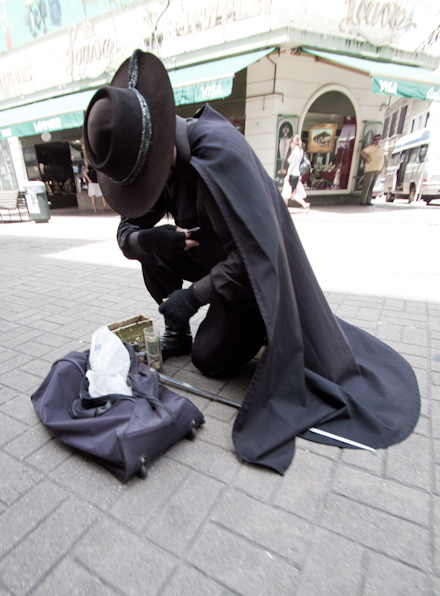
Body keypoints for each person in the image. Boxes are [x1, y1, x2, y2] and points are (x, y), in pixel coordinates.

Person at [83, 49, 420, 475]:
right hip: (217, 264)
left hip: (252, 281)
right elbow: (125, 233)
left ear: (159, 142)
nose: (150, 190)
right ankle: (180, 332)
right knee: (154, 253)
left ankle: (265, 326)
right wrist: (147, 240)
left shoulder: (221, 153)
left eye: (148, 178)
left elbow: (255, 257)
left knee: (209, 362)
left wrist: (194, 296)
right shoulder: (157, 166)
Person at [283, 135, 310, 211]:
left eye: (290, 143)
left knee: (287, 192)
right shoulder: (300, 151)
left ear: (292, 142)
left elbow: (292, 164)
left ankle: (284, 210)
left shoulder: (295, 151)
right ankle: (305, 205)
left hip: (292, 174)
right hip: (297, 174)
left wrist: (288, 175)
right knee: (293, 194)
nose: (290, 145)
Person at [359, 134, 384, 205]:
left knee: (371, 186)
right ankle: (362, 200)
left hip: (377, 169)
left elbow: (382, 159)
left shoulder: (381, 149)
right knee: (367, 185)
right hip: (370, 169)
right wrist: (367, 157)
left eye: (378, 139)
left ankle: (368, 201)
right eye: (376, 139)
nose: (377, 141)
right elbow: (362, 152)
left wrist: (381, 168)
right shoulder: (371, 147)